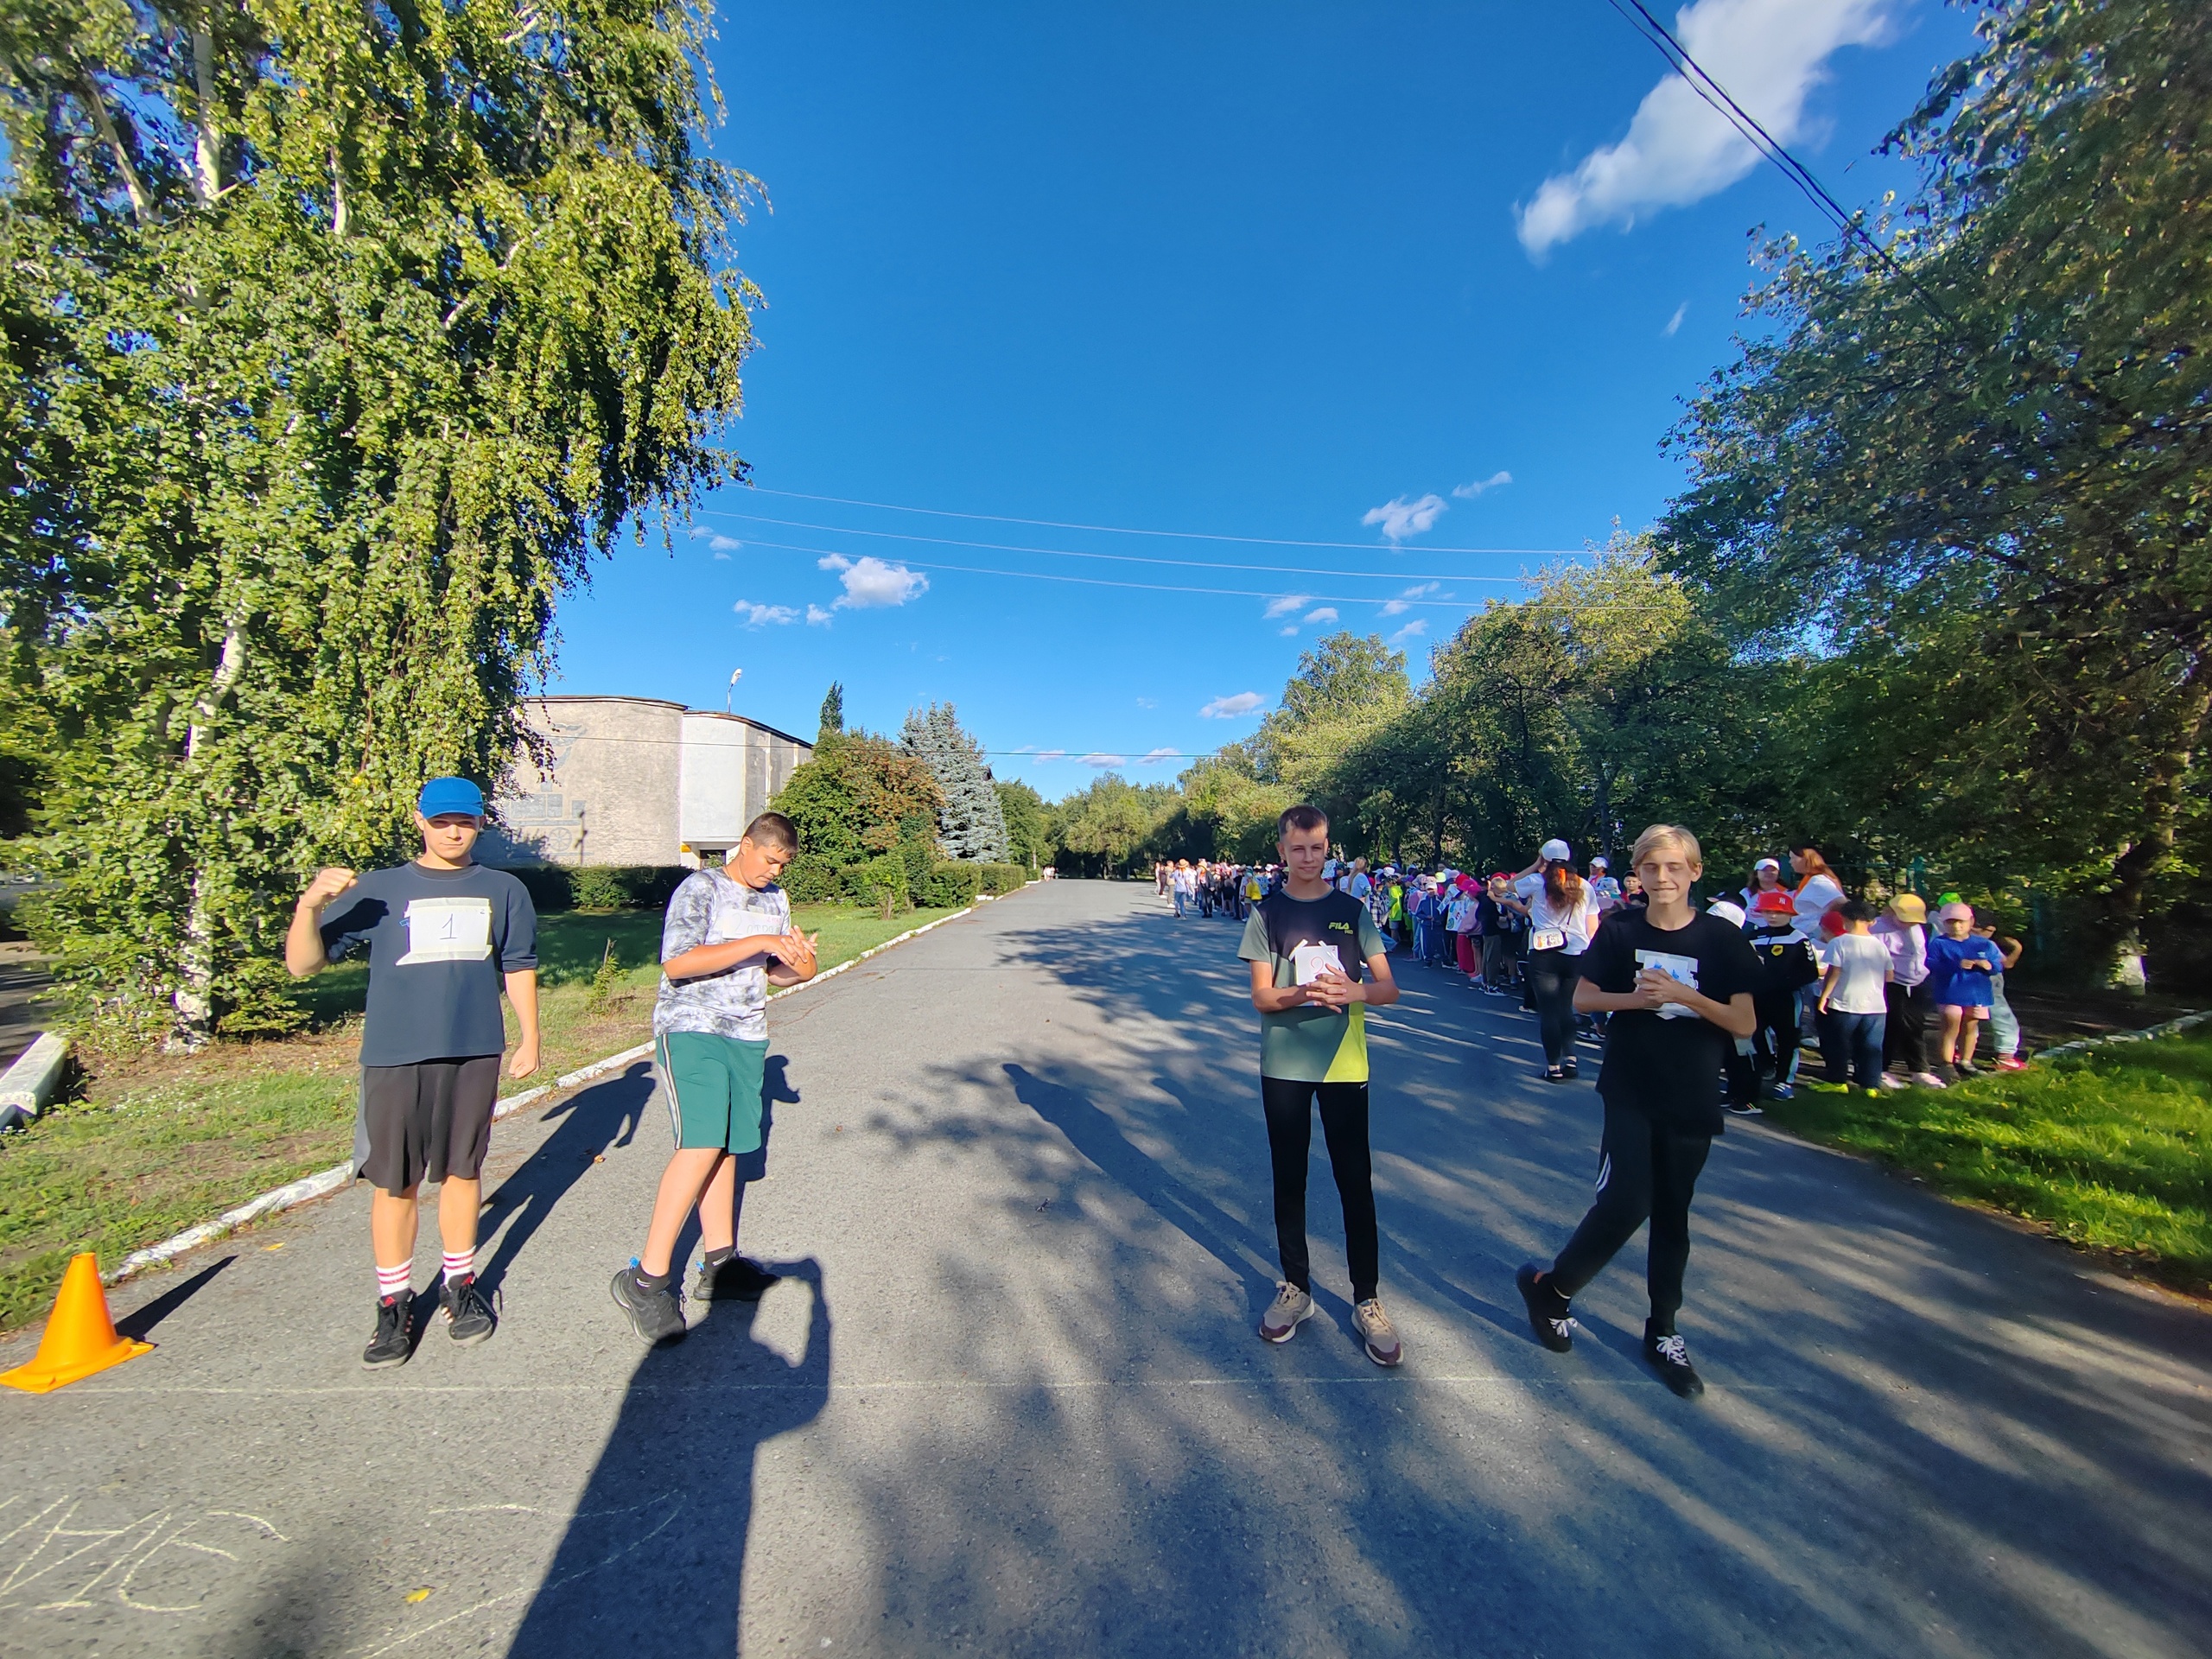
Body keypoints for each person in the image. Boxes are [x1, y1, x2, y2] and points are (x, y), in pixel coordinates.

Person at [286, 777, 541, 1370]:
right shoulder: (380, 889)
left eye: (465, 822)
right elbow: (303, 965)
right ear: (421, 822)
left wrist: (530, 1037)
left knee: (462, 1170)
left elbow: (519, 964)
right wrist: (310, 905)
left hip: (473, 1051)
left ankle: (460, 1284)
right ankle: (394, 1302)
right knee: (395, 1181)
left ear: (480, 824)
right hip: (395, 1056)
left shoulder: (504, 890)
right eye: (442, 821)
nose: (454, 832)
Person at [1515, 823, 1759, 1400]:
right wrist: (1637, 999)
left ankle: (1664, 1331)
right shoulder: (1621, 928)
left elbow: (1744, 1022)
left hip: (1692, 1092)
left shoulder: (1721, 938)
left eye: (1674, 867)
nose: (1663, 878)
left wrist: (1685, 996)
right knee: (1626, 1201)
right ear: (1638, 875)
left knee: (1673, 1213)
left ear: (1695, 872)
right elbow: (1584, 998)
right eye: (1652, 868)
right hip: (1629, 1086)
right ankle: (1554, 1289)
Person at [610, 813, 819, 1344]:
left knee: (726, 1147)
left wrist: (802, 963)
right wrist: (761, 942)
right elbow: (678, 964)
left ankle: (719, 1264)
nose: (775, 872)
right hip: (692, 1027)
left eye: (784, 864)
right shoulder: (701, 888)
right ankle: (646, 1280)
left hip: (746, 1033)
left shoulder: (775, 900)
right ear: (745, 844)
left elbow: (774, 973)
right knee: (701, 1142)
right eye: (770, 860)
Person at [1238, 804, 1404, 1368]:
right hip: (1285, 1064)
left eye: (1317, 847)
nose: (1308, 857)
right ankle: (1296, 1288)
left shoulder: (1352, 911)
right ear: (1282, 851)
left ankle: (1367, 1299)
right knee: (1290, 1179)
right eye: (1298, 848)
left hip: (1344, 1065)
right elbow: (1262, 997)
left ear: (1328, 848)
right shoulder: (1266, 914)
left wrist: (1355, 991)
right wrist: (1305, 993)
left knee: (1355, 1180)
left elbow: (1388, 988)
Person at [1503, 855, 1601, 1082]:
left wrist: (1536, 864)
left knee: (1548, 1011)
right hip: (1576, 952)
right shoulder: (1584, 885)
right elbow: (1593, 927)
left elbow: (1509, 886)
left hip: (1543, 952)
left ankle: (1553, 1066)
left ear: (1545, 860)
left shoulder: (1537, 881)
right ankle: (1571, 1059)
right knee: (1565, 1007)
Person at [1815, 900, 1892, 1094]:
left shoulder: (1839, 942)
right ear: (1872, 922)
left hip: (1844, 1002)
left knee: (1838, 1044)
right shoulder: (1879, 945)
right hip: (1876, 1005)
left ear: (1844, 919)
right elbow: (1889, 975)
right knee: (1871, 1046)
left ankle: (1837, 1081)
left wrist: (1824, 996)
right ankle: (1871, 1085)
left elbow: (1834, 971)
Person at [1745, 889, 1816, 1099]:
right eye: (1768, 912)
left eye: (1779, 912)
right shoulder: (1754, 936)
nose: (1773, 916)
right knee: (1754, 1031)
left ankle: (1785, 1081)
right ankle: (1767, 1065)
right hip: (1758, 995)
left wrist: (1785, 984)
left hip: (1786, 997)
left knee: (1788, 1038)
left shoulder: (1798, 938)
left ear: (1790, 914)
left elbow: (1810, 972)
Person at [1925, 902, 2004, 1079]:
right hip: (1950, 993)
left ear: (1971, 922)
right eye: (1950, 922)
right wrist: (1956, 965)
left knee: (1970, 1027)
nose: (1956, 926)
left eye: (1961, 921)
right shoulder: (1940, 943)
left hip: (1977, 994)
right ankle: (1947, 1064)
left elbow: (1997, 966)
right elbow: (1931, 964)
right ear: (1944, 923)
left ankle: (1966, 1062)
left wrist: (1988, 966)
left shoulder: (1984, 944)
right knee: (1951, 1026)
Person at [1872, 894, 1941, 1088]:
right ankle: (1881, 1069)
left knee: (1915, 1025)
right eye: (1904, 919)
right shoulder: (1878, 928)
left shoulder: (1917, 929)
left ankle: (1919, 1070)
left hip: (1916, 982)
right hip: (1890, 982)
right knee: (1890, 1025)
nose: (1909, 923)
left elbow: (1920, 953)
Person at [1975, 920, 2028, 1070]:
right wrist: (2017, 949)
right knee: (2004, 1020)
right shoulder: (1986, 945)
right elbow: (2006, 964)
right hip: (1988, 989)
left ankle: (1958, 1054)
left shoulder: (1953, 941)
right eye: (1989, 931)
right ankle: (2006, 1057)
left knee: (1968, 1022)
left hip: (1971, 988)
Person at [1478, 874, 1516, 995]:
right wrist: (1500, 918)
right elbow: (1484, 915)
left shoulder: (1488, 898)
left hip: (1492, 930)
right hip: (1492, 930)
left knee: (1488, 957)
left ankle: (1486, 982)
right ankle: (1491, 984)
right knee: (1492, 958)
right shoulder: (1488, 900)